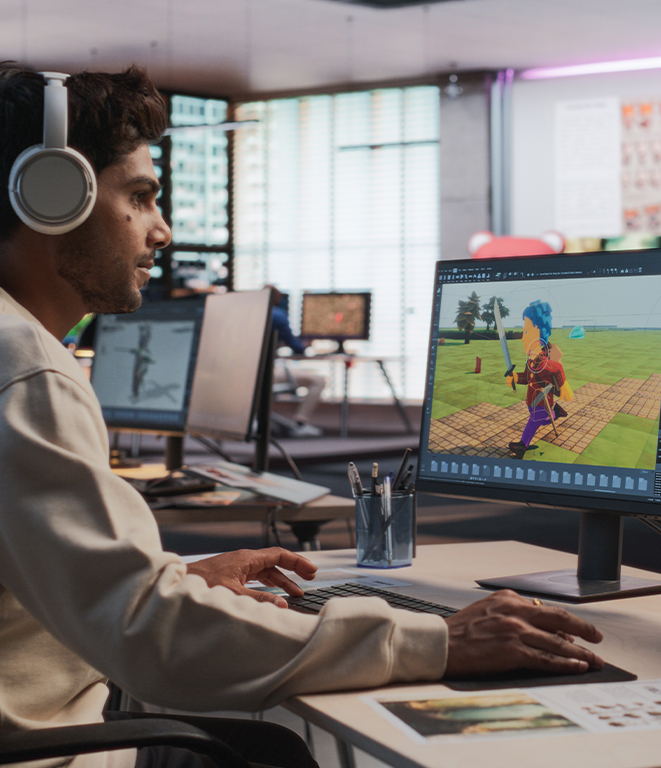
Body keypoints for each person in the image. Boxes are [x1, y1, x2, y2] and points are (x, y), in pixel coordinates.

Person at [0, 64, 603, 768]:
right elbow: (149, 634)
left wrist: (181, 575)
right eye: (139, 197)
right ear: (52, 195)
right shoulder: (27, 370)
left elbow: (69, 578)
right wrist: (440, 641)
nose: (160, 231)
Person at [506, 300, 574, 459]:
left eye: (527, 333)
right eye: (524, 333)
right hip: (533, 403)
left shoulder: (543, 362)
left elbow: (557, 368)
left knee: (535, 420)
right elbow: (526, 377)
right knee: (542, 420)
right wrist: (515, 377)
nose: (523, 338)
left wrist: (564, 385)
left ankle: (522, 446)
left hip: (541, 402)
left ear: (540, 336)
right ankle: (556, 412)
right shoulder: (531, 360)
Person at [265, 284, 326, 438]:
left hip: (246, 375)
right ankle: (301, 423)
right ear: (278, 299)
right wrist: (304, 346)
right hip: (267, 373)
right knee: (318, 381)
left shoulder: (249, 314)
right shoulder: (278, 315)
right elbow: (297, 347)